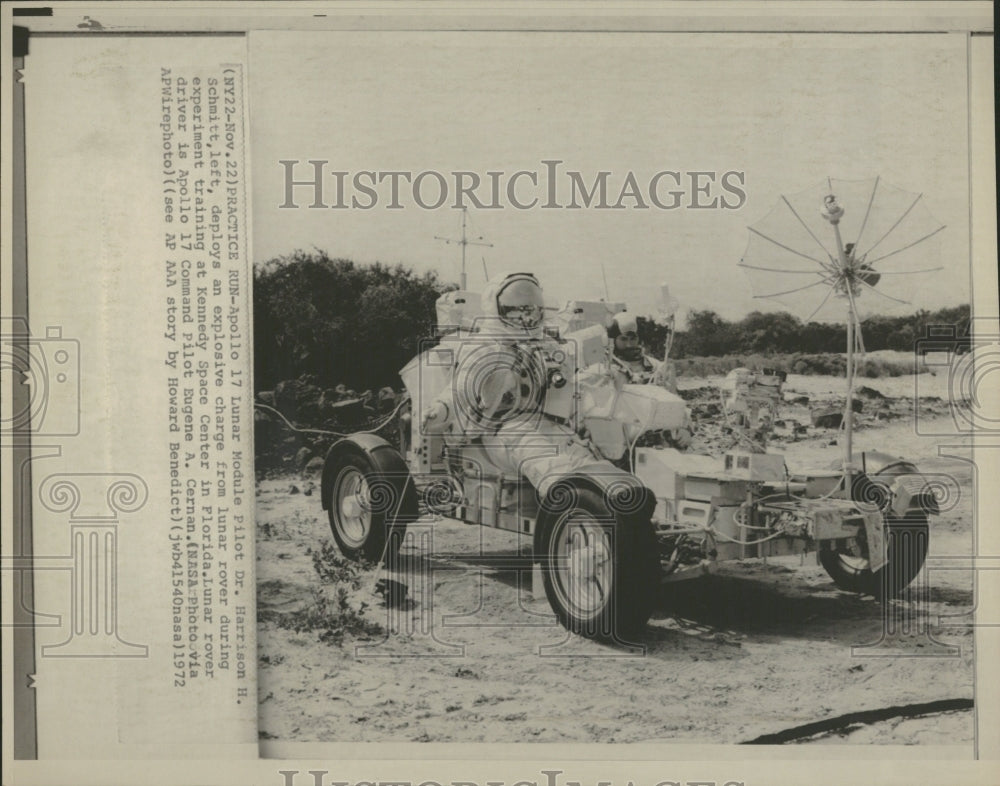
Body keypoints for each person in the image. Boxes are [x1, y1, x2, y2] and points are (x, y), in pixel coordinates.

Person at [420, 272, 621, 497]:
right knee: (538, 453)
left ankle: (615, 495)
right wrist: (441, 409)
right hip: (500, 429)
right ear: (498, 311)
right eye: (518, 311)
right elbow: (460, 389)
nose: (527, 318)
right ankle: (570, 497)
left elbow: (566, 369)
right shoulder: (483, 347)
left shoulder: (544, 342)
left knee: (579, 451)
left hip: (544, 421)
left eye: (531, 310)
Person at [605, 312, 677, 392]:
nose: (629, 345)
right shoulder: (605, 367)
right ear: (613, 341)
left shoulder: (657, 366)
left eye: (633, 339)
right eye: (623, 339)